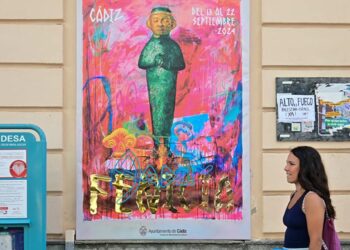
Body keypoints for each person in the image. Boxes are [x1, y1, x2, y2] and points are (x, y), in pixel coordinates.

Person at [138, 7, 185, 148]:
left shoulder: (173, 46)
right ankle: (158, 147)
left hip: (169, 86)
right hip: (155, 88)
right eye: (156, 21)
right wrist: (154, 61)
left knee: (167, 113)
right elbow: (142, 62)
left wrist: (168, 63)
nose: (160, 24)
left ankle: (166, 147)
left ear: (172, 24)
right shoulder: (150, 45)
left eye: (164, 20)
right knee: (157, 113)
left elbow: (181, 64)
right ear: (149, 24)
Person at [283, 146, 336, 250]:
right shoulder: (294, 195)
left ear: (305, 168)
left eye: (291, 164)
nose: (286, 168)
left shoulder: (311, 198)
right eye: (287, 163)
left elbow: (316, 241)